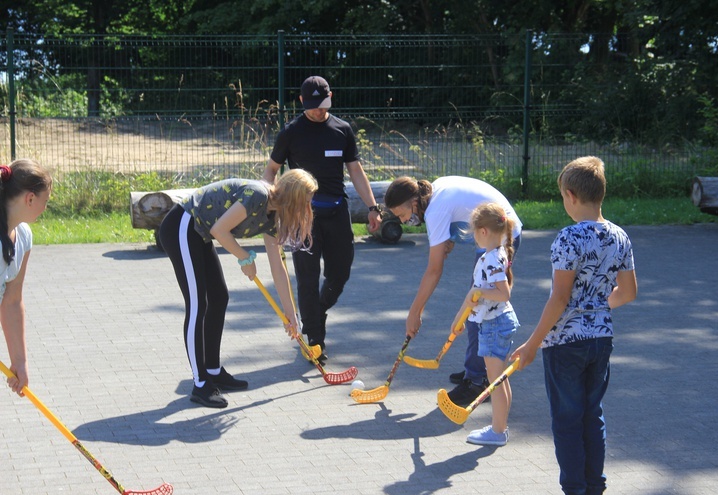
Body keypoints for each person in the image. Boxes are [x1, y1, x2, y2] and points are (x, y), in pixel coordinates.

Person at [511, 156, 637, 495]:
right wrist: (596, 309)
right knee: (592, 416)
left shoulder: (568, 238)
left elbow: (560, 298)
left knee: (567, 420)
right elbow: (628, 293)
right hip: (602, 338)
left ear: (570, 195)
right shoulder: (619, 235)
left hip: (565, 343)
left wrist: (532, 344)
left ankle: (575, 493)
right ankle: (594, 489)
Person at [159, 169, 317, 409]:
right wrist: (245, 258)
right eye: (305, 203)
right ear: (293, 198)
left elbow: (278, 268)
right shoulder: (257, 195)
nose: (307, 209)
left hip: (199, 234)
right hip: (182, 226)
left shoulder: (274, 216)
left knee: (219, 298)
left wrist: (291, 315)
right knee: (198, 305)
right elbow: (219, 230)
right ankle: (200, 384)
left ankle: (213, 370)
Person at [263, 75, 381, 363]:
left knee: (340, 273)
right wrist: (271, 202)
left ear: (331, 97)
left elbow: (355, 171)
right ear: (302, 101)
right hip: (303, 216)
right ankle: (314, 340)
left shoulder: (342, 130)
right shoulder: (291, 132)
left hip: (337, 213)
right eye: (313, 105)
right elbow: (270, 171)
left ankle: (316, 312)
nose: (319, 110)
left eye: (323, 104)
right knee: (306, 278)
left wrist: (373, 206)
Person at [383, 175, 522, 406]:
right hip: (497, 230)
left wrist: (415, 312)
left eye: (402, 214)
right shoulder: (432, 195)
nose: (404, 220)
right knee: (476, 310)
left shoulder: (434, 209)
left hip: (502, 234)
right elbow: (463, 215)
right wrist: (451, 239)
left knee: (477, 312)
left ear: (414, 201)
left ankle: (477, 381)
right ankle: (478, 369)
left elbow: (434, 270)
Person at [451, 202, 519, 446]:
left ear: (483, 232)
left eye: (473, 234)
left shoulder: (491, 258)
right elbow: (474, 292)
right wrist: (459, 318)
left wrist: (481, 291)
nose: (474, 240)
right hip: (498, 322)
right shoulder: (494, 254)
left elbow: (504, 293)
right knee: (500, 378)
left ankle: (498, 432)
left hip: (495, 324)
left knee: (495, 381)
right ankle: (500, 427)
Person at [0, 159, 53, 396]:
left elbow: (12, 301)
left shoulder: (23, 237)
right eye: (46, 201)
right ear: (30, 199)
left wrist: (19, 361)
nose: (45, 208)